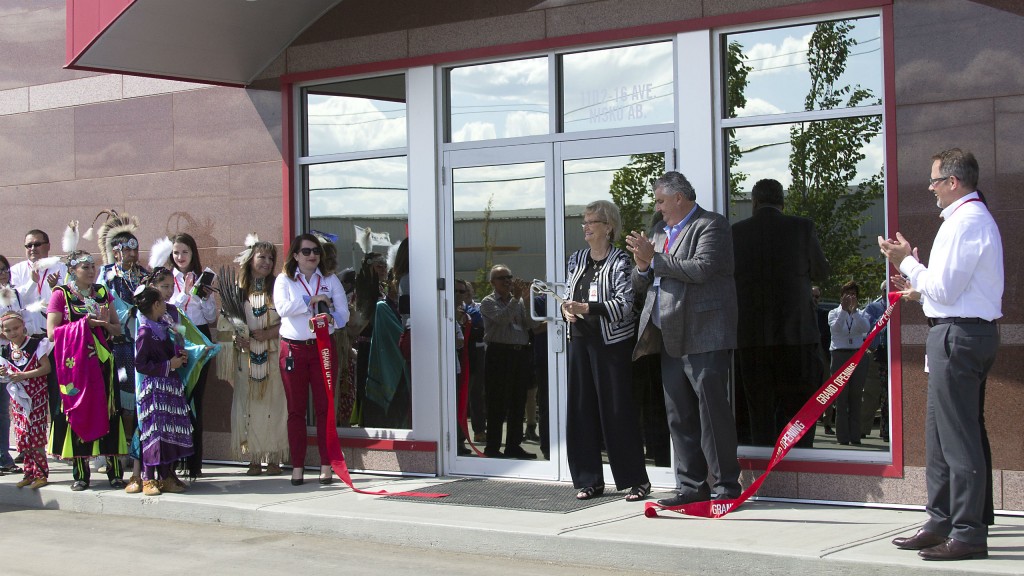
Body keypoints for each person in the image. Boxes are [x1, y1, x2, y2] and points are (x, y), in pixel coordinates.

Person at [881, 148, 1002, 561]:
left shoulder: (965, 222)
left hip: (959, 336)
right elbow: (954, 291)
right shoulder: (967, 220)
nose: (929, 188)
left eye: (934, 180)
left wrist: (908, 262)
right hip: (959, 332)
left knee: (958, 438)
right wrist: (918, 285)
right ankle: (944, 520)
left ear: (953, 182)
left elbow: (947, 289)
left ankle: (967, 532)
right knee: (943, 434)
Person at [625, 171, 741, 506]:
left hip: (704, 334)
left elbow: (701, 269)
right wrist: (643, 266)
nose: (658, 208)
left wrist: (654, 259)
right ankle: (691, 487)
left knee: (711, 413)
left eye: (661, 200)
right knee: (679, 414)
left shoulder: (711, 225)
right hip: (668, 333)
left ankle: (726, 488)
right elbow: (641, 281)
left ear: (679, 197)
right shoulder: (659, 231)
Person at [561, 200, 649, 501]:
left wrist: (587, 307)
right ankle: (589, 481)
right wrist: (566, 309)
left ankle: (636, 480)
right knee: (581, 410)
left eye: (592, 221)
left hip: (611, 345)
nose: (586, 227)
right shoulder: (576, 259)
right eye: (583, 222)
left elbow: (625, 306)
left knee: (617, 411)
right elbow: (567, 294)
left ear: (608, 226)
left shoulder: (621, 261)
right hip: (580, 342)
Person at [732, 178, 829, 448]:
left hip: (752, 339)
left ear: (753, 203)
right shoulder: (801, 228)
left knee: (759, 415)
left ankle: (765, 473)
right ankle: (799, 468)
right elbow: (822, 271)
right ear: (781, 201)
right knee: (799, 414)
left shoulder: (736, 233)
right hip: (795, 335)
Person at [46, 247, 128, 491]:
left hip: (102, 363)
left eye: (93, 266)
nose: (91, 271)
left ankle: (115, 473)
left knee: (110, 412)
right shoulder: (61, 295)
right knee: (77, 411)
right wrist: (84, 323)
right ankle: (81, 475)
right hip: (75, 367)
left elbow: (117, 329)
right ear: (72, 270)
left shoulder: (103, 292)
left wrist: (103, 323)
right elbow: (52, 333)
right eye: (85, 267)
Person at [273, 234, 349, 486]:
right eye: (306, 251)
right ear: (295, 255)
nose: (312, 255)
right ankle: (297, 466)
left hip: (323, 349)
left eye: (316, 251)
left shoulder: (330, 279)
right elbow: (283, 308)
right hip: (293, 349)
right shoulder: (284, 280)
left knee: (325, 409)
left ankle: (326, 465)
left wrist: (332, 318)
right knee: (296, 411)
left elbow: (344, 314)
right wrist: (311, 300)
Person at [227, 237, 288, 476]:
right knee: (249, 407)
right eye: (262, 256)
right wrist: (237, 339)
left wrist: (269, 333)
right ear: (250, 259)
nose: (266, 262)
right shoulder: (238, 290)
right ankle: (254, 458)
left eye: (271, 258)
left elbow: (289, 320)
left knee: (275, 406)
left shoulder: (279, 287)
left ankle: (274, 458)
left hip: (273, 354)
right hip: (247, 358)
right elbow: (227, 322)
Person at [95, 210, 147, 487]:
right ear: (115, 251)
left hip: (141, 343)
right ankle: (111, 450)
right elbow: (99, 305)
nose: (131, 252)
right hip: (115, 344)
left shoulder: (145, 275)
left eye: (135, 247)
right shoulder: (105, 277)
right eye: (126, 248)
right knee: (115, 396)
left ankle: (133, 448)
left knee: (135, 399)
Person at [133, 286, 194, 496]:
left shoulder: (167, 324)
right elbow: (140, 364)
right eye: (162, 300)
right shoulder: (145, 332)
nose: (166, 304)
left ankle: (167, 475)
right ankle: (148, 478)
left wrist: (182, 354)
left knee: (170, 430)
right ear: (156, 305)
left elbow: (177, 343)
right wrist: (168, 365)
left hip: (171, 386)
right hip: (155, 390)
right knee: (154, 433)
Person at [169, 233, 219, 479]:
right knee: (176, 400)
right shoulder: (166, 278)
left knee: (195, 401)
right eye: (176, 252)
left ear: (193, 253)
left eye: (185, 252)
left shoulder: (202, 277)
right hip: (176, 337)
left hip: (199, 339)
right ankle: (174, 459)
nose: (180, 257)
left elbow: (211, 318)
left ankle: (194, 463)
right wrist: (185, 294)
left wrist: (206, 298)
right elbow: (167, 312)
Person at [10, 230, 67, 432]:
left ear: (48, 245)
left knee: (57, 391)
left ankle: (58, 441)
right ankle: (29, 447)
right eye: (28, 246)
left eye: (37, 244)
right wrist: (32, 282)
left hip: (54, 339)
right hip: (28, 342)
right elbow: (14, 303)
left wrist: (55, 287)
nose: (32, 249)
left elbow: (67, 301)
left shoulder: (61, 268)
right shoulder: (17, 271)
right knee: (28, 395)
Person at [479, 265, 537, 459]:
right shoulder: (488, 302)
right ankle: (493, 447)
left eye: (509, 277)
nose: (507, 281)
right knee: (497, 402)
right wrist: (516, 299)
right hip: (499, 354)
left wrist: (527, 301)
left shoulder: (518, 301)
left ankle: (514, 445)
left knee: (518, 401)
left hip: (519, 354)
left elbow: (531, 325)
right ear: (492, 283)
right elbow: (502, 319)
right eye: (502, 278)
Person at [1, 254, 45, 474]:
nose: (1, 274)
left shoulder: (15, 293)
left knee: (10, 411)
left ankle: (20, 463)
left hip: (16, 357)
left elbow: (24, 312)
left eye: (4, 270)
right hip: (6, 354)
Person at [0, 311, 52, 489]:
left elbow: (46, 368)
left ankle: (41, 473)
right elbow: (7, 376)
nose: (13, 332)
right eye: (8, 330)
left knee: (36, 436)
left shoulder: (36, 344)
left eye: (16, 328)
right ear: (3, 332)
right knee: (23, 436)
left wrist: (23, 375)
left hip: (36, 396)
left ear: (23, 326)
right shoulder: (6, 351)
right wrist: (5, 374)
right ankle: (28, 473)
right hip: (19, 400)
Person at [827, 281, 870, 446]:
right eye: (848, 294)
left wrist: (854, 313)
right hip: (839, 354)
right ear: (841, 296)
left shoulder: (861, 313)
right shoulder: (833, 313)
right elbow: (836, 330)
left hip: (857, 355)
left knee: (856, 396)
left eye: (854, 295)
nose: (851, 298)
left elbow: (865, 328)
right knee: (841, 397)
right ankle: (842, 437)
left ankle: (855, 436)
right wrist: (844, 312)